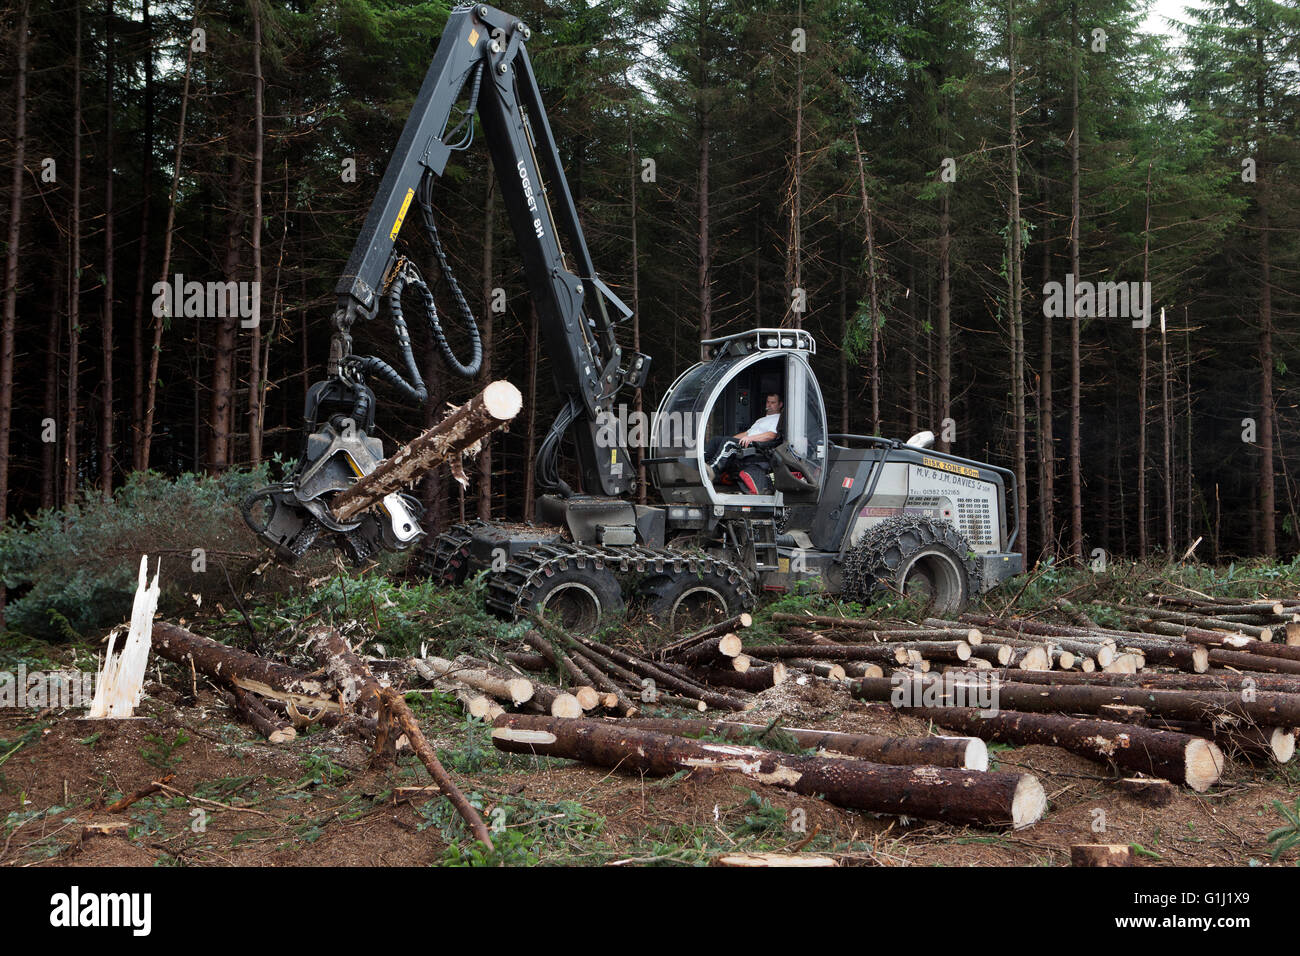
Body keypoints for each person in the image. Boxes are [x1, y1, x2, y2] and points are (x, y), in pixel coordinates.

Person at [703, 392, 783, 481]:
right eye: (768, 402)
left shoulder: (778, 418)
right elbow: (746, 434)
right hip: (747, 440)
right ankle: (701, 462)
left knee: (728, 442)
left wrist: (750, 438)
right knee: (717, 440)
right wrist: (730, 439)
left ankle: (713, 469)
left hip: (757, 446)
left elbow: (771, 435)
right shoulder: (761, 420)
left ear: (780, 404)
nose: (769, 405)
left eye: (773, 402)